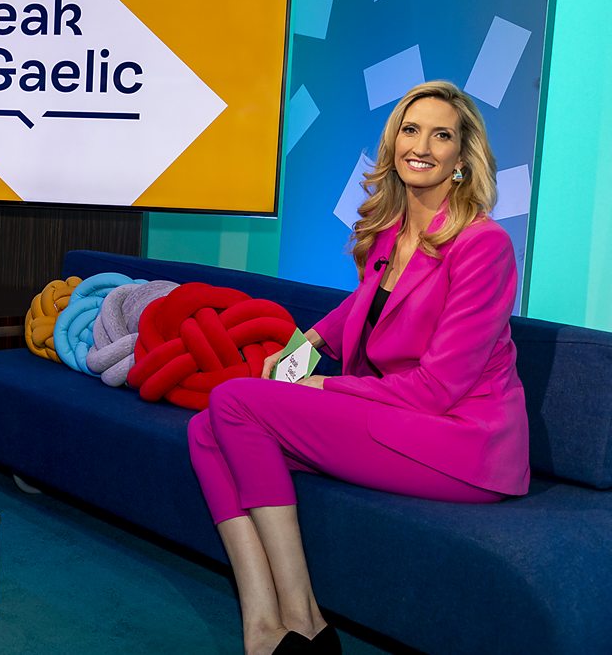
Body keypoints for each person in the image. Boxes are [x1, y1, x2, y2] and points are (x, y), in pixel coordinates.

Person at [187, 81, 528, 655]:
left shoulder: (483, 245)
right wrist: (301, 351)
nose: (421, 146)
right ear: (394, 143)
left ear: (461, 157)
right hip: (404, 418)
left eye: (441, 135)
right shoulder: (391, 232)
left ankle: (304, 621)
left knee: (234, 401)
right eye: (410, 131)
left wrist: (322, 384)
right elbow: (362, 308)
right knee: (207, 428)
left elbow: (437, 388)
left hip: (461, 441)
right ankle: (262, 626)